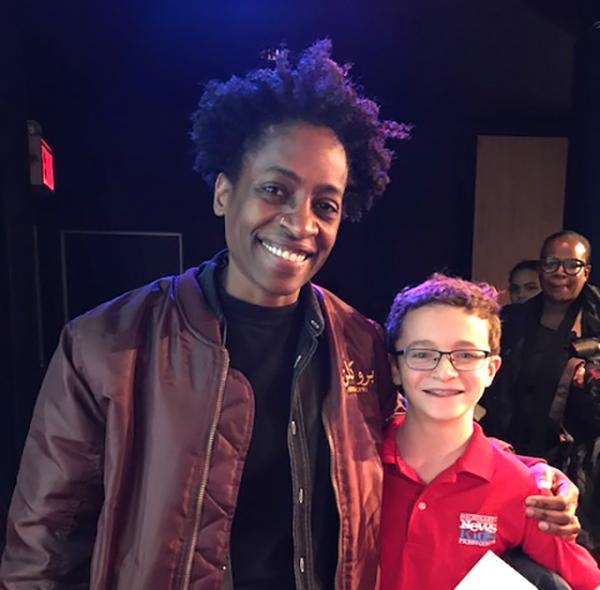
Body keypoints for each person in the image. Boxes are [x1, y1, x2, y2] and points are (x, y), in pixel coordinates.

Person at [0, 42, 580, 589]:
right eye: (275, 190)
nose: (301, 223)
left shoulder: (360, 343)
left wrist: (532, 473)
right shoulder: (107, 344)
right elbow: (43, 546)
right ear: (225, 192)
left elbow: (424, 430)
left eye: (324, 204)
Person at [380, 274, 600, 589]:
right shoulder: (355, 464)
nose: (444, 372)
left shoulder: (523, 488)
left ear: (491, 369)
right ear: (394, 368)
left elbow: (587, 581)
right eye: (422, 354)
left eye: (466, 355)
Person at [482, 230, 600, 561]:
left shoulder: (596, 320)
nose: (560, 272)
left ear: (586, 271)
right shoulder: (512, 320)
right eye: (551, 263)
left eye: (571, 264)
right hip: (517, 451)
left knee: (571, 553)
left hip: (582, 461)